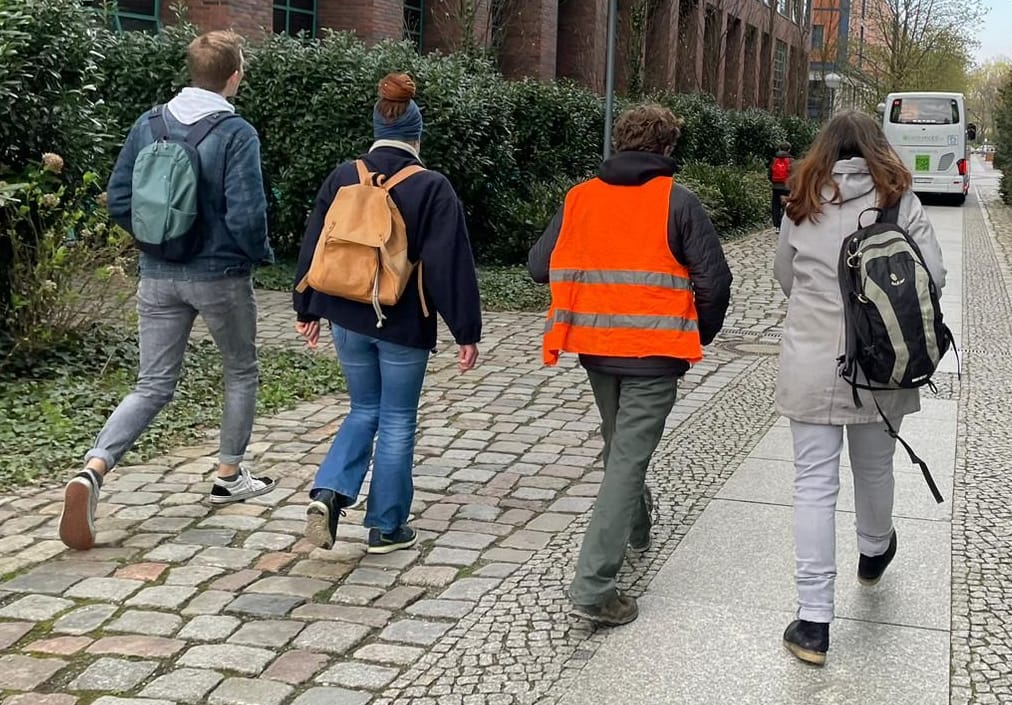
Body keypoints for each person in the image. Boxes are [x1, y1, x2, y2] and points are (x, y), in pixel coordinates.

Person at [59, 30, 275, 551]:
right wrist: (258, 256)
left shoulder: (149, 123)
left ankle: (93, 469)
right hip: (220, 276)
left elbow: (118, 199)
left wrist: (154, 240)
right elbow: (248, 214)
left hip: (156, 274)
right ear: (234, 76)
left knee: (152, 384)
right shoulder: (236, 132)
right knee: (240, 370)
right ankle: (228, 474)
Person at [528, 104, 732, 626]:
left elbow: (538, 265)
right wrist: (695, 334)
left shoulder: (581, 198)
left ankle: (637, 528)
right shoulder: (677, 203)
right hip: (656, 355)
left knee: (620, 446)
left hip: (596, 350)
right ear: (666, 149)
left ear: (620, 143)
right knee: (625, 459)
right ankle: (594, 586)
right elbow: (714, 282)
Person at [773, 110, 946, 665]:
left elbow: (784, 276)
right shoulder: (901, 201)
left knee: (813, 487)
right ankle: (874, 550)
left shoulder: (802, 199)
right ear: (878, 147)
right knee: (875, 468)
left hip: (812, 361)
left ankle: (814, 622)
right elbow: (933, 279)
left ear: (823, 148)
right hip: (883, 361)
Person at [293, 73, 482, 555]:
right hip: (401, 322)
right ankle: (387, 527)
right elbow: (448, 265)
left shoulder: (343, 176)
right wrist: (466, 330)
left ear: (376, 126)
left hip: (345, 314)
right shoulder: (432, 187)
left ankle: (329, 493)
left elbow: (316, 244)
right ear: (417, 135)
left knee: (363, 408)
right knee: (397, 419)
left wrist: (307, 305)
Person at [769, 142, 794, 228]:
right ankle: (785, 224)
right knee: (787, 204)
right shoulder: (792, 161)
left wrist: (774, 182)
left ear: (779, 149)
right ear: (789, 149)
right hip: (788, 187)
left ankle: (777, 226)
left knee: (776, 205)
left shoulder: (774, 160)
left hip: (776, 187)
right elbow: (795, 174)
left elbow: (770, 174)